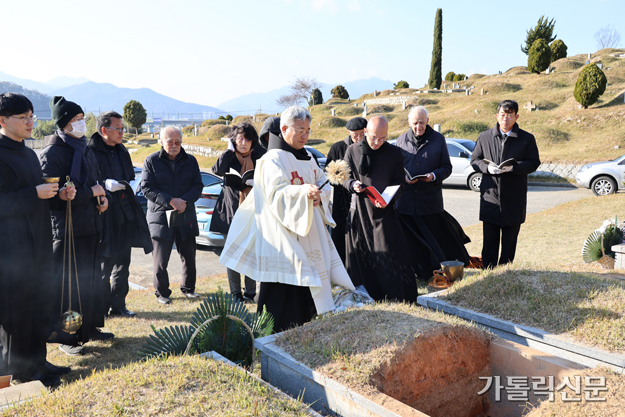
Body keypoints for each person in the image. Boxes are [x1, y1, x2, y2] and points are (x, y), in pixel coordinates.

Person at [220, 106, 354, 332]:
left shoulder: (309, 157)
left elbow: (322, 183)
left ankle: (308, 328)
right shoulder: (272, 159)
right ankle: (273, 335)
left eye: (308, 130)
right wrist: (304, 194)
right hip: (283, 234)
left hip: (309, 228)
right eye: (300, 129)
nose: (305, 135)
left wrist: (318, 196)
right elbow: (274, 194)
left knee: (308, 286)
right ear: (283, 129)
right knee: (282, 287)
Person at [0, 93, 74, 386]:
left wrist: (59, 196)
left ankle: (38, 360)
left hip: (40, 243)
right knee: (16, 312)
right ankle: (21, 372)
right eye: (24, 117)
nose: (31, 122)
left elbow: (40, 196)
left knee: (40, 303)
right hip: (11, 249)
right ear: (3, 120)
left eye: (32, 116)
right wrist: (34, 194)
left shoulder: (29, 153)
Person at [40, 96, 113, 356]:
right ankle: (66, 338)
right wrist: (89, 192)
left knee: (90, 282)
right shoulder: (53, 153)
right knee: (67, 286)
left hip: (91, 225)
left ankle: (89, 328)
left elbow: (97, 183)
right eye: (75, 120)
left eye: (82, 118)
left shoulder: (85, 148)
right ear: (63, 124)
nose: (81, 124)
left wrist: (103, 198)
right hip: (66, 230)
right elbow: (54, 196)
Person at [343, 116, 420, 302]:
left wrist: (389, 197)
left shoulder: (394, 153)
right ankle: (366, 297)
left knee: (389, 254)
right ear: (365, 132)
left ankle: (393, 296)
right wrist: (352, 184)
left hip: (384, 212)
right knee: (362, 257)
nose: (377, 142)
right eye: (373, 138)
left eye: (382, 138)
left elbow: (400, 182)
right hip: (360, 213)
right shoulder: (352, 150)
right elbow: (343, 176)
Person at [88, 111, 152, 318]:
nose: (122, 132)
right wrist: (105, 183)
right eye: (118, 128)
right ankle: (101, 308)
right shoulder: (91, 151)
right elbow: (88, 178)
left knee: (123, 263)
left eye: (123, 128)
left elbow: (129, 174)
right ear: (104, 130)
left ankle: (119, 305)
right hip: (103, 215)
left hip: (124, 212)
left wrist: (130, 183)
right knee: (104, 265)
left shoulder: (122, 150)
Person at [395, 106, 470, 269]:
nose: (418, 126)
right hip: (406, 201)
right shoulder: (400, 141)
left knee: (434, 239)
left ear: (428, 121)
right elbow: (395, 168)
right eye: (415, 123)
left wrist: (433, 176)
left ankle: (437, 269)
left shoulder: (438, 139)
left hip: (429, 201)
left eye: (422, 122)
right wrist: (403, 176)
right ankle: (416, 270)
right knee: (410, 240)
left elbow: (446, 167)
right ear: (409, 122)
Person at [470, 100, 541, 269]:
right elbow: (474, 160)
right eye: (502, 115)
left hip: (513, 200)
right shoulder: (484, 137)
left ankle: (505, 274)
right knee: (489, 242)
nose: (505, 119)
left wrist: (513, 169)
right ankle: (488, 273)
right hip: (490, 198)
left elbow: (533, 163)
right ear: (497, 116)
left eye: (510, 115)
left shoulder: (527, 139)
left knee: (509, 243)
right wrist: (487, 168)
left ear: (516, 117)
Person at [141, 126, 203, 305]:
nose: (174, 145)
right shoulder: (151, 161)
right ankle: (162, 293)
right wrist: (170, 201)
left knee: (189, 257)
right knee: (160, 261)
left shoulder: (191, 160)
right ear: (161, 141)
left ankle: (189, 289)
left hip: (185, 214)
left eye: (178, 142)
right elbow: (146, 188)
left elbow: (197, 186)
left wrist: (184, 201)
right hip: (160, 217)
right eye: (170, 142)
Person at [209, 122, 260, 303]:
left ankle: (250, 292)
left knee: (250, 251)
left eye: (247, 139)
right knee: (232, 252)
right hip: (230, 211)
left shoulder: (259, 156)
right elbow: (216, 170)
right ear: (234, 140)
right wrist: (229, 151)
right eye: (239, 139)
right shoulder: (229, 157)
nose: (243, 143)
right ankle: (235, 293)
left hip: (253, 211)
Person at [325, 116, 367, 263]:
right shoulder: (337, 148)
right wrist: (343, 179)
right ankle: (341, 265)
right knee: (341, 233)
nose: (359, 138)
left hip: (363, 197)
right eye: (355, 135)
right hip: (342, 198)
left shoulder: (369, 147)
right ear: (349, 132)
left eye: (362, 134)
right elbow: (329, 173)